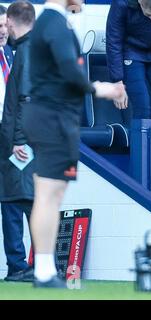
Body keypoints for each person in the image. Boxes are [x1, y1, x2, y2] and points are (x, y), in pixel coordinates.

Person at [23, 0, 125, 288]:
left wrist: (77, 16)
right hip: (50, 116)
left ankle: (45, 270)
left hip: (55, 116)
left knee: (52, 194)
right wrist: (100, 88)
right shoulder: (53, 22)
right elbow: (70, 69)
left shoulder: (58, 22)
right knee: (48, 192)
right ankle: (43, 271)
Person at [0, 0, 35, 283]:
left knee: (16, 198)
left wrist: (18, 139)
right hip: (13, 137)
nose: (2, 30)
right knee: (17, 198)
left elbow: (20, 102)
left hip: (14, 138)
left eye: (4, 24)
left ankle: (21, 265)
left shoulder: (17, 54)